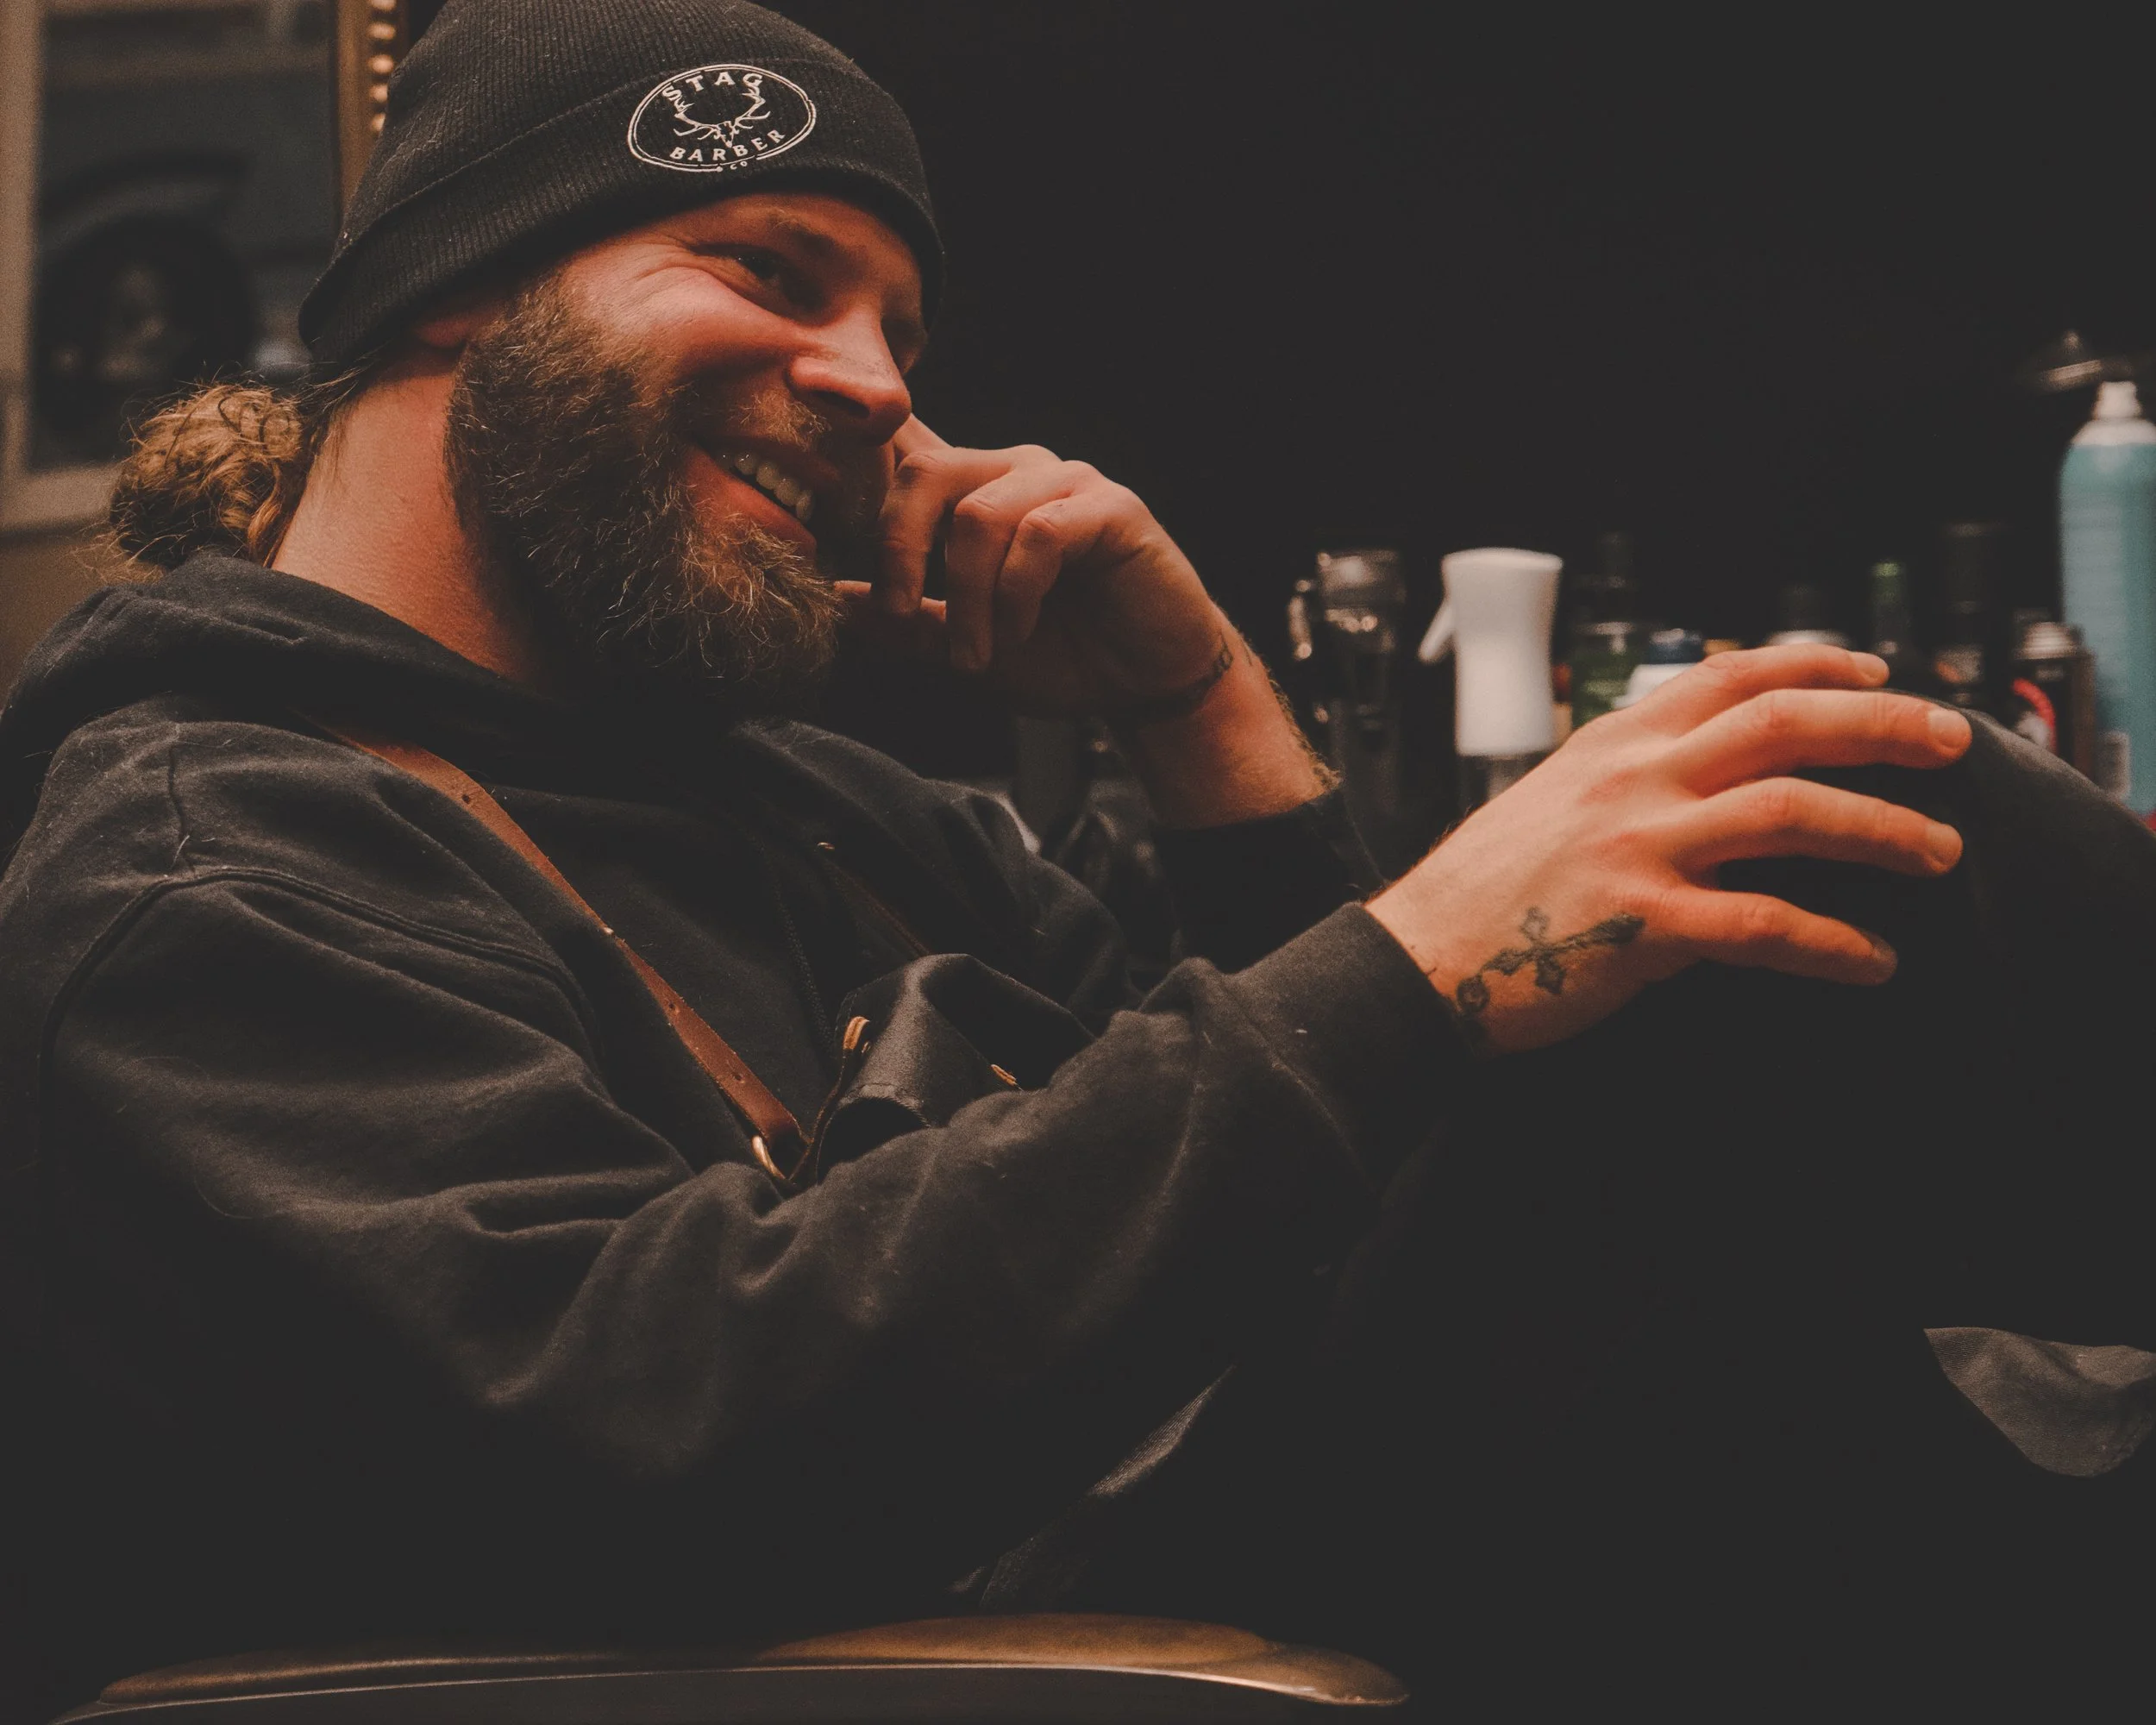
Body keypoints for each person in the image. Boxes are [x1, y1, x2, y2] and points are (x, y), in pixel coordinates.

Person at [3, 1, 2153, 1716]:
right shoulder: (208, 858)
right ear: (445, 297)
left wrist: (1200, 710)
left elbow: (1319, 1163)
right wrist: (1417, 955)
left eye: (901, 332)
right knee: (1824, 809)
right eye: (771, 272)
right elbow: (632, 1404)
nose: (872, 385)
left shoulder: (815, 805)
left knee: (1805, 1047)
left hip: (1202, 1503)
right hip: (961, 1628)